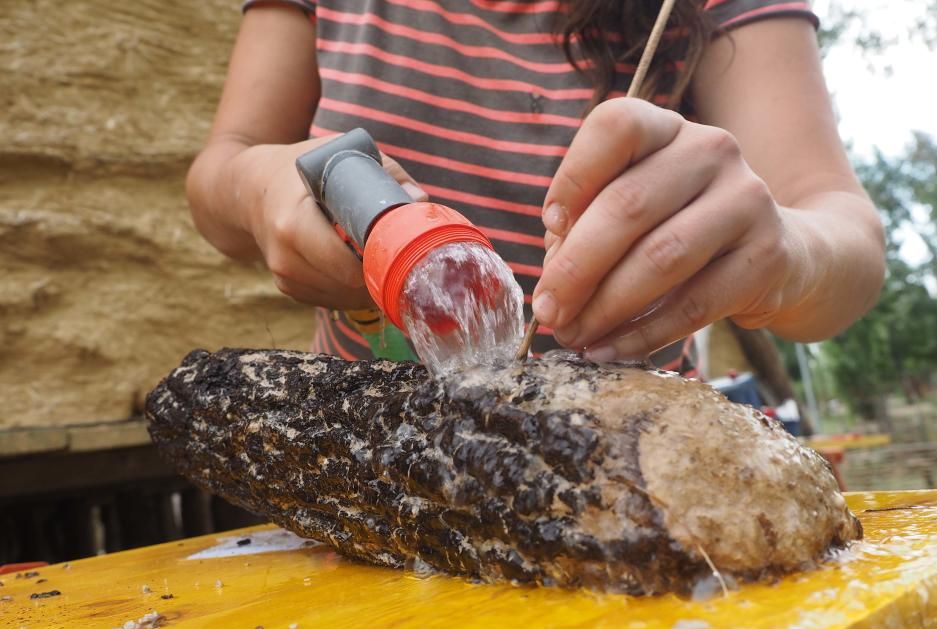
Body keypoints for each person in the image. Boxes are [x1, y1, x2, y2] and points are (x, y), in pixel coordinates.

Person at [186, 0, 885, 373]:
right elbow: (220, 172)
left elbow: (847, 237)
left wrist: (785, 253)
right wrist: (261, 186)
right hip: (372, 468)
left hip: (635, 469)